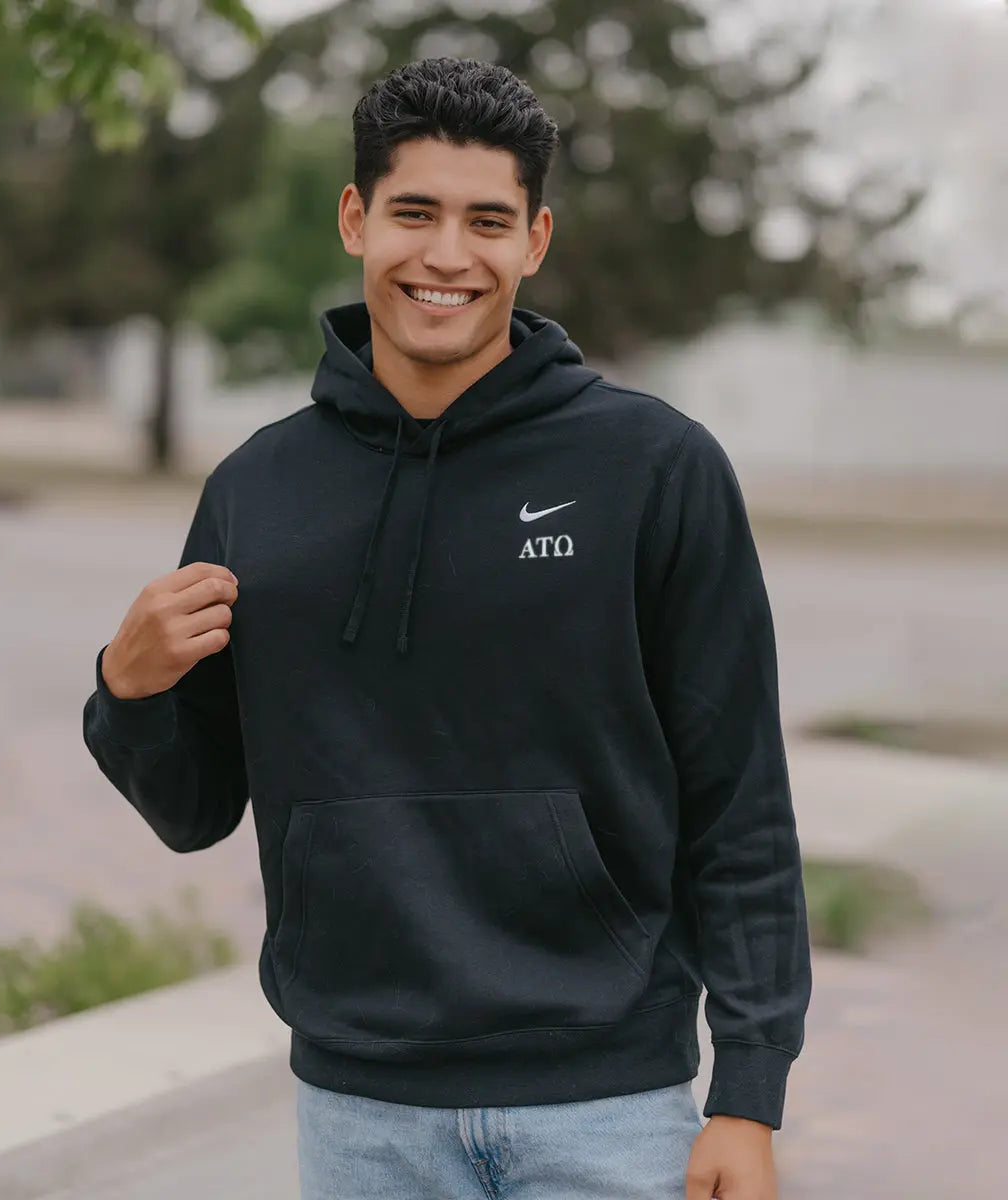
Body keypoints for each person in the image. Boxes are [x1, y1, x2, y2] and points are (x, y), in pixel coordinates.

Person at [83, 56, 811, 1200]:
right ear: (355, 219)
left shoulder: (654, 469)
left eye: (488, 221)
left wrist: (750, 1093)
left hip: (609, 1107)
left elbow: (741, 799)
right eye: (414, 213)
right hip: (360, 1115)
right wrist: (127, 694)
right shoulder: (255, 492)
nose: (446, 256)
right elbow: (194, 809)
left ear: (535, 240)